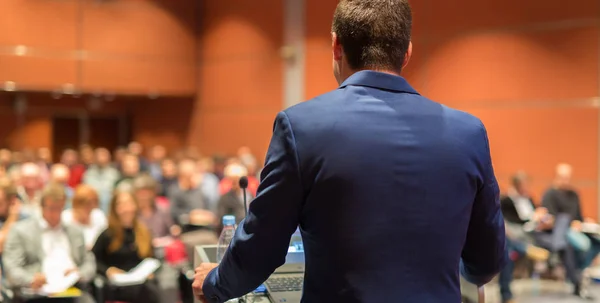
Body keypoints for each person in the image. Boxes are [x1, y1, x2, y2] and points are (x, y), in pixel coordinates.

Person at [192, 1, 506, 302]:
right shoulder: (469, 133)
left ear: (336, 46)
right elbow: (487, 260)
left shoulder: (301, 126)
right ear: (407, 52)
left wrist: (215, 282)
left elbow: (262, 247)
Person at [3, 184, 96, 303]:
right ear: (41, 207)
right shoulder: (20, 231)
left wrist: (79, 273)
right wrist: (30, 279)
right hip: (38, 293)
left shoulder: (75, 232)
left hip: (72, 289)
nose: (56, 214)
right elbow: (11, 268)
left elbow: (89, 261)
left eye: (60, 208)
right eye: (52, 208)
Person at [542, 163, 599, 298]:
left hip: (578, 228)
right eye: (562, 177)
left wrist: (585, 221)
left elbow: (578, 215)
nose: (565, 180)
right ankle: (575, 274)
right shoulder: (550, 194)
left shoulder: (574, 194)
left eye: (567, 177)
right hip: (560, 230)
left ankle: (579, 268)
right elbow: (551, 218)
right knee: (582, 244)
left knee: (597, 242)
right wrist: (570, 223)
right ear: (556, 176)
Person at [91, 191, 160, 303]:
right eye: (121, 204)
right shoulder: (107, 234)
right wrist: (108, 270)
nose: (126, 208)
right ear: (115, 209)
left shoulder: (144, 232)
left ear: (135, 206)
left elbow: (153, 258)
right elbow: (94, 260)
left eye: (129, 203)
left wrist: (151, 273)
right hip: (117, 286)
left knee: (151, 289)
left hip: (141, 284)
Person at [498, 172, 550, 303]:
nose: (526, 187)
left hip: (532, 232)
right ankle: (526, 249)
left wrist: (540, 217)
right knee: (508, 251)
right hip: (517, 234)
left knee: (508, 250)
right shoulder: (506, 200)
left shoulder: (530, 199)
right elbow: (508, 222)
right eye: (524, 185)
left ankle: (527, 249)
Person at [61, 184, 107, 250]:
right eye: (87, 204)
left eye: (93, 203)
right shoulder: (65, 217)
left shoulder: (98, 215)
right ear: (76, 204)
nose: (90, 208)